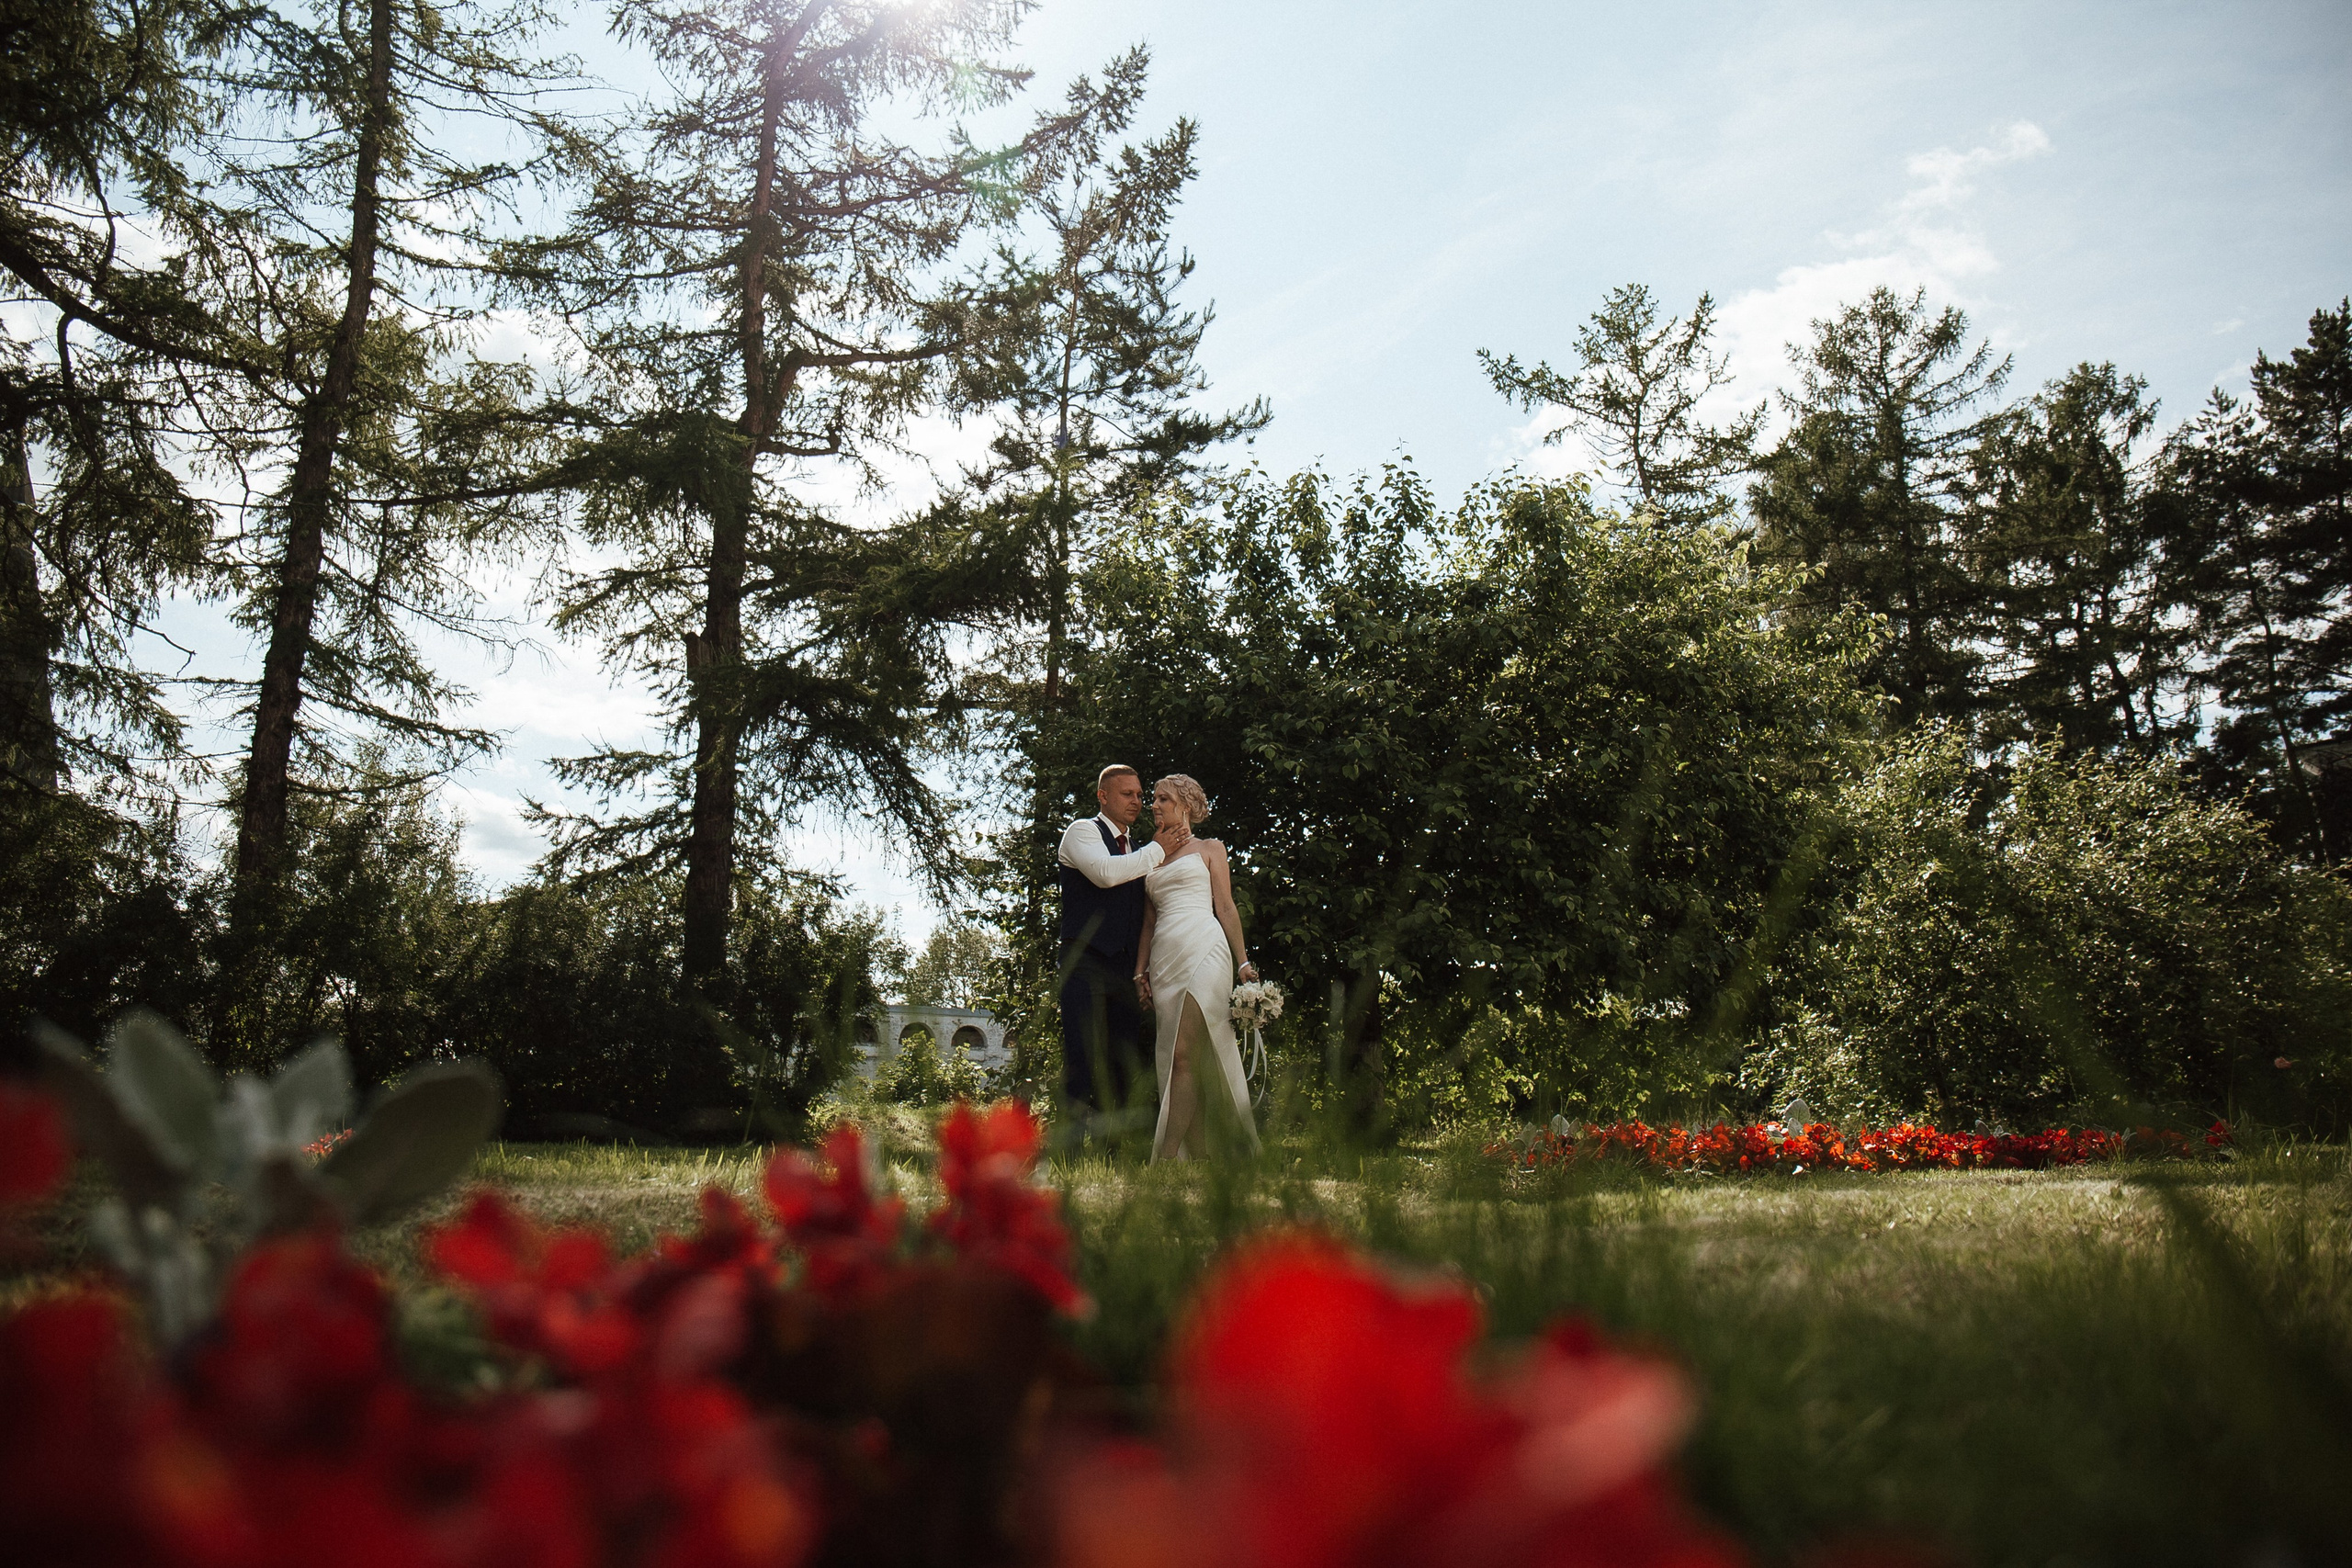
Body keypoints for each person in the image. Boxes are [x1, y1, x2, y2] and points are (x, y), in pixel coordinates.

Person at [1135, 773, 1261, 1161]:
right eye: (1153, 799)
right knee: (1181, 1057)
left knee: (1184, 1055)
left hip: (1204, 949)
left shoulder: (1210, 848)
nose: (1153, 805)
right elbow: (1149, 921)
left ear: (1185, 806)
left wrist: (1243, 963)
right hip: (1164, 958)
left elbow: (1224, 906)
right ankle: (1201, 1155)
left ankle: (1167, 1157)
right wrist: (1141, 972)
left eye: (1163, 799)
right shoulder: (1151, 854)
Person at [1058, 764, 1190, 1130]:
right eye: (1126, 794)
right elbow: (1105, 873)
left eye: (1139, 794)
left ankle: (1109, 1152)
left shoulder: (1138, 848)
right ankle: (1067, 1152)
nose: (1137, 801)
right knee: (1081, 1057)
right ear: (1103, 796)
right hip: (1084, 961)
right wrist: (1156, 850)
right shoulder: (1082, 832)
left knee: (1121, 1061)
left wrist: (1143, 970)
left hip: (1124, 968)